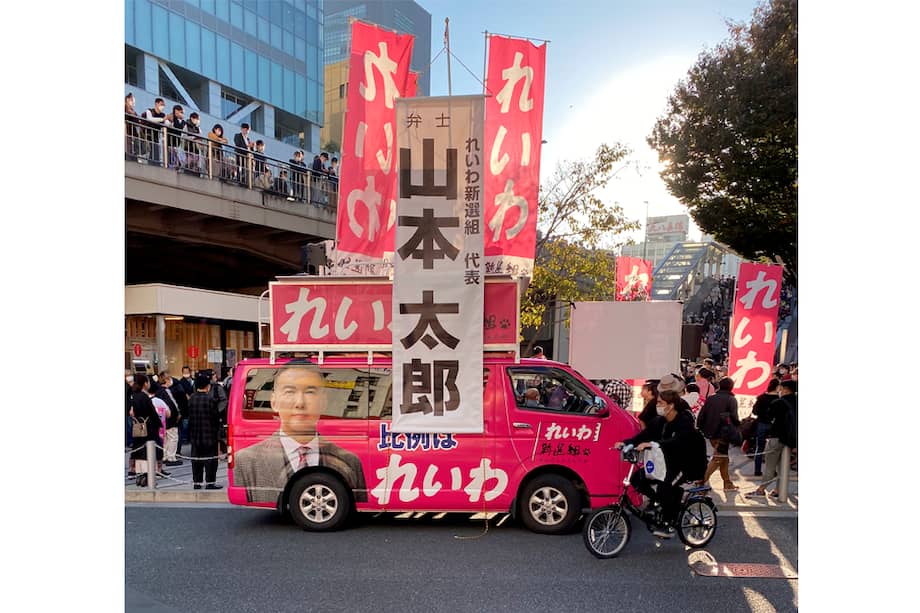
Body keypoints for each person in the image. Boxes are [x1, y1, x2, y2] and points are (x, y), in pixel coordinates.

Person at [233, 366, 367, 504]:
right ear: (274, 402)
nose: (300, 403)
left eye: (310, 392)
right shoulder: (246, 461)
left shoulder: (350, 461)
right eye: (290, 392)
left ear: (324, 401)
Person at [614, 389, 706, 537]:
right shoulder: (660, 421)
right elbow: (643, 435)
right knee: (637, 479)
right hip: (665, 463)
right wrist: (626, 443)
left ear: (671, 405)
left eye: (660, 403)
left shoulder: (685, 421)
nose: (657, 405)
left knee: (665, 487)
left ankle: (669, 524)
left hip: (687, 464)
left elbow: (678, 442)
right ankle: (662, 503)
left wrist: (652, 444)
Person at [748, 380, 797, 498]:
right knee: (783, 466)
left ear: (785, 389)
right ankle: (778, 490)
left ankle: (761, 490)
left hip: (777, 437)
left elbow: (769, 416)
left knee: (770, 465)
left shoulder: (779, 402)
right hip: (790, 439)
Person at [696, 376, 741, 491]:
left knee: (723, 457)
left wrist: (702, 428)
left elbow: (702, 415)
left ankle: (727, 483)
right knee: (718, 458)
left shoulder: (711, 398)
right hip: (724, 433)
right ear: (731, 387)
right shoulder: (731, 400)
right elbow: (734, 418)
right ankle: (701, 481)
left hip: (711, 432)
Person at [188, 373, 223, 490]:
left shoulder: (191, 399)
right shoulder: (211, 400)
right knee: (210, 460)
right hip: (209, 435)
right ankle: (210, 482)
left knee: (196, 460)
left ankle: (197, 482)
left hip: (195, 435)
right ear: (207, 386)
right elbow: (215, 417)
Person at [128, 375, 164, 477]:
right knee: (150, 449)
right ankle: (149, 473)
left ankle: (137, 471)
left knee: (138, 447)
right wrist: (159, 423)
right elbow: (152, 412)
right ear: (145, 383)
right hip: (149, 427)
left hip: (138, 425)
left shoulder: (133, 395)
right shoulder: (144, 397)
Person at [751, 378, 781, 476]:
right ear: (777, 387)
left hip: (761, 424)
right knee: (773, 449)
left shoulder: (761, 397)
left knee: (759, 448)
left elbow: (755, 411)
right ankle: (772, 470)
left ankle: (757, 470)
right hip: (774, 425)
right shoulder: (779, 400)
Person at [156, 371, 183, 466]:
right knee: (173, 437)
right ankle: (171, 457)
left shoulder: (159, 391)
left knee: (166, 438)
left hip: (164, 418)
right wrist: (177, 414)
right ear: (166, 380)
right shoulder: (165, 391)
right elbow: (171, 405)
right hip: (170, 418)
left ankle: (166, 456)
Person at [140, 98, 169, 164]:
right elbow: (149, 119)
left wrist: (169, 119)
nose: (163, 106)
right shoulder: (149, 111)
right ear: (156, 104)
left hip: (156, 138)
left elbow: (167, 123)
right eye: (161, 104)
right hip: (147, 136)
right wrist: (162, 119)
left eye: (164, 105)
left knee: (156, 155)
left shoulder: (163, 114)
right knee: (148, 153)